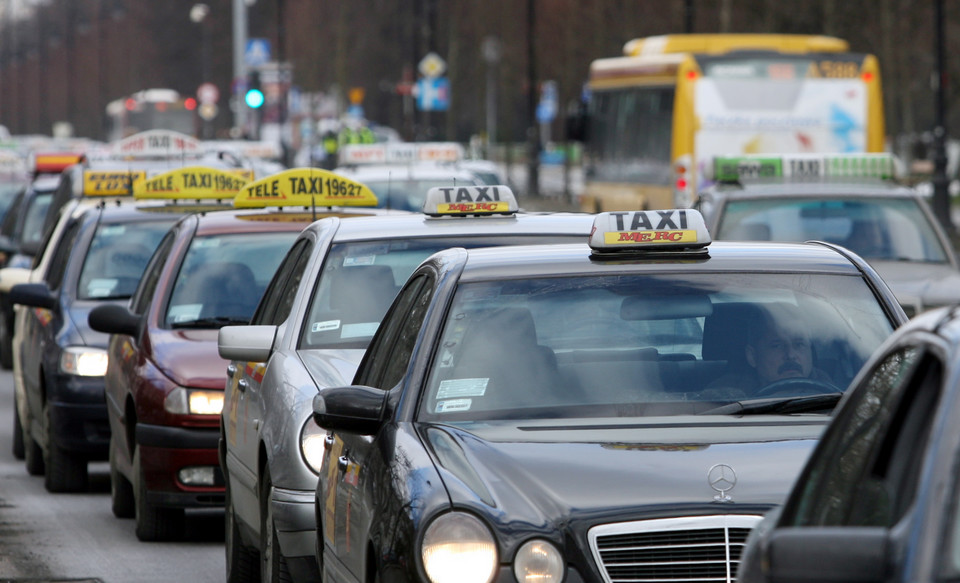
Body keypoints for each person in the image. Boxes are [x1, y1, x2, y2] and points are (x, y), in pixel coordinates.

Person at [705, 303, 835, 397]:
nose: (790, 355)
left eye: (799, 345)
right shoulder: (725, 394)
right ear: (752, 356)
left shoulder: (838, 394)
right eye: (777, 346)